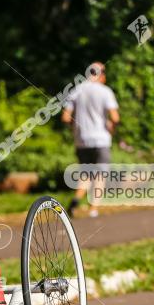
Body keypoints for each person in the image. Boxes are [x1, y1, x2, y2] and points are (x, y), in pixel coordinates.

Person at [61, 62, 120, 218]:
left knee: (85, 173)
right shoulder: (105, 91)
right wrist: (111, 128)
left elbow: (66, 117)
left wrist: (76, 129)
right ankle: (93, 209)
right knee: (100, 175)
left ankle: (75, 200)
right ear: (102, 75)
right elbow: (115, 117)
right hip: (101, 139)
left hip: (81, 140)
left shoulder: (76, 91)